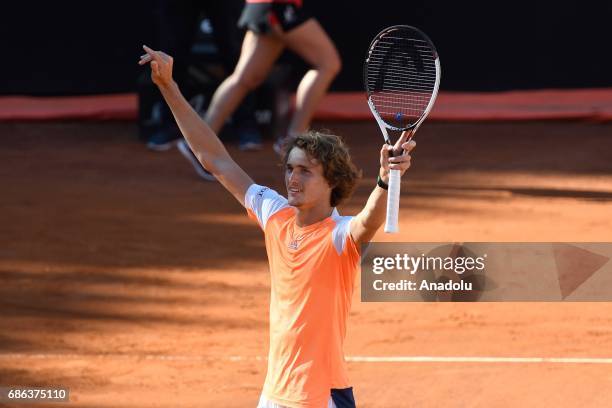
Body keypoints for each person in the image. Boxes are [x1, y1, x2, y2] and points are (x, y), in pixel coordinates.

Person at [139, 46, 415, 408]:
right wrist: (169, 87)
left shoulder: (337, 236)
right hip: (274, 396)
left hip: (319, 397)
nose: (292, 179)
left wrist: (384, 179)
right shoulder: (276, 214)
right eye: (290, 168)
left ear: (332, 181)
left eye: (305, 171)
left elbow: (367, 222)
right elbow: (215, 159)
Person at [177, 0, 343, 180]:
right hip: (278, 6)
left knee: (246, 78)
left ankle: (200, 144)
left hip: (264, 6)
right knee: (328, 63)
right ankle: (294, 140)